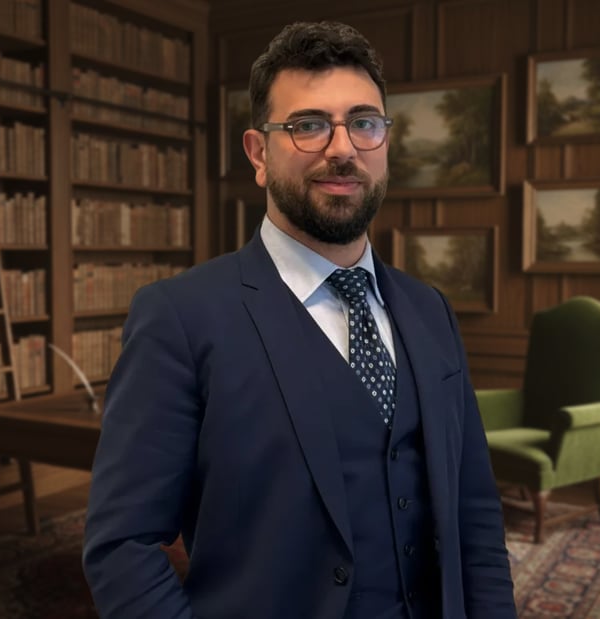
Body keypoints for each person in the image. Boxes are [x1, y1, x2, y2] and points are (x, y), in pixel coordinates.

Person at [82, 20, 516, 619]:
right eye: (309, 125)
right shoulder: (180, 318)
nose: (342, 148)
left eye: (363, 122)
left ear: (384, 141)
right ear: (259, 153)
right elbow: (121, 546)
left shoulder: (430, 310)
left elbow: (475, 517)